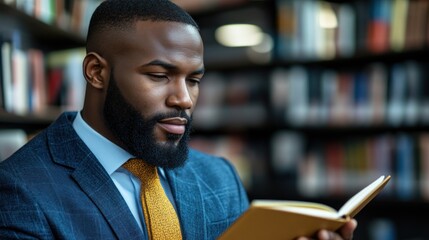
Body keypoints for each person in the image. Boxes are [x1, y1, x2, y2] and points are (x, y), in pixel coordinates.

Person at [0, 0, 356, 239]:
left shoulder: (220, 177)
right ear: (96, 72)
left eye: (194, 80)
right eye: (158, 75)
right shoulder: (20, 191)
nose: (183, 99)